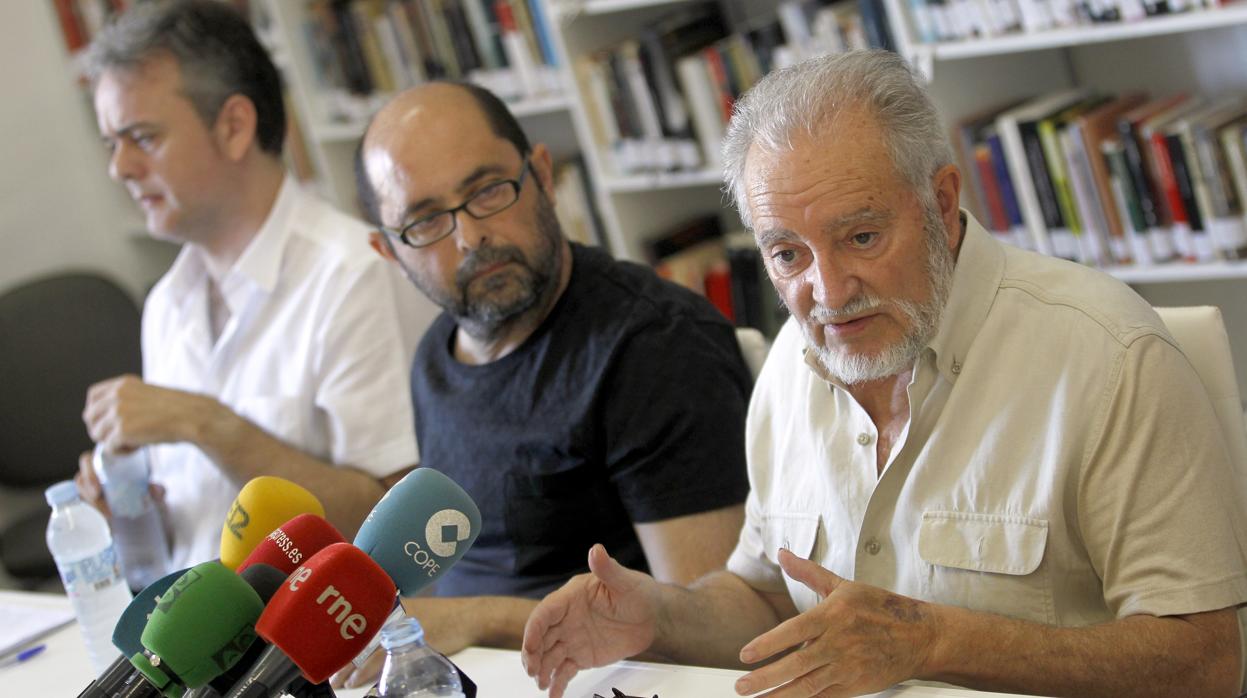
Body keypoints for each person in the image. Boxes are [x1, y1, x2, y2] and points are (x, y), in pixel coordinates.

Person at [520, 50, 1247, 698]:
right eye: (787, 255)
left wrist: (933, 641)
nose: (829, 293)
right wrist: (657, 616)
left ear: (940, 201)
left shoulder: (1106, 354)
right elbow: (769, 598)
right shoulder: (786, 369)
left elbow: (1204, 661)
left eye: (861, 236)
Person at [337, 81, 752, 683]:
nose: (470, 236)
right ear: (386, 249)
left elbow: (717, 637)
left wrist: (477, 619)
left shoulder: (654, 347)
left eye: (487, 191)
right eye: (425, 221)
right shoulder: (436, 355)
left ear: (542, 175)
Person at [74, 0, 434, 570]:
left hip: (328, 648)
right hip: (197, 637)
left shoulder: (353, 275)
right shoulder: (165, 304)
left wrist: (209, 425)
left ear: (235, 127)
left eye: (141, 137)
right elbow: (198, 527)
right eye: (110, 144)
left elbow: (396, 528)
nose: (120, 168)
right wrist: (127, 511)